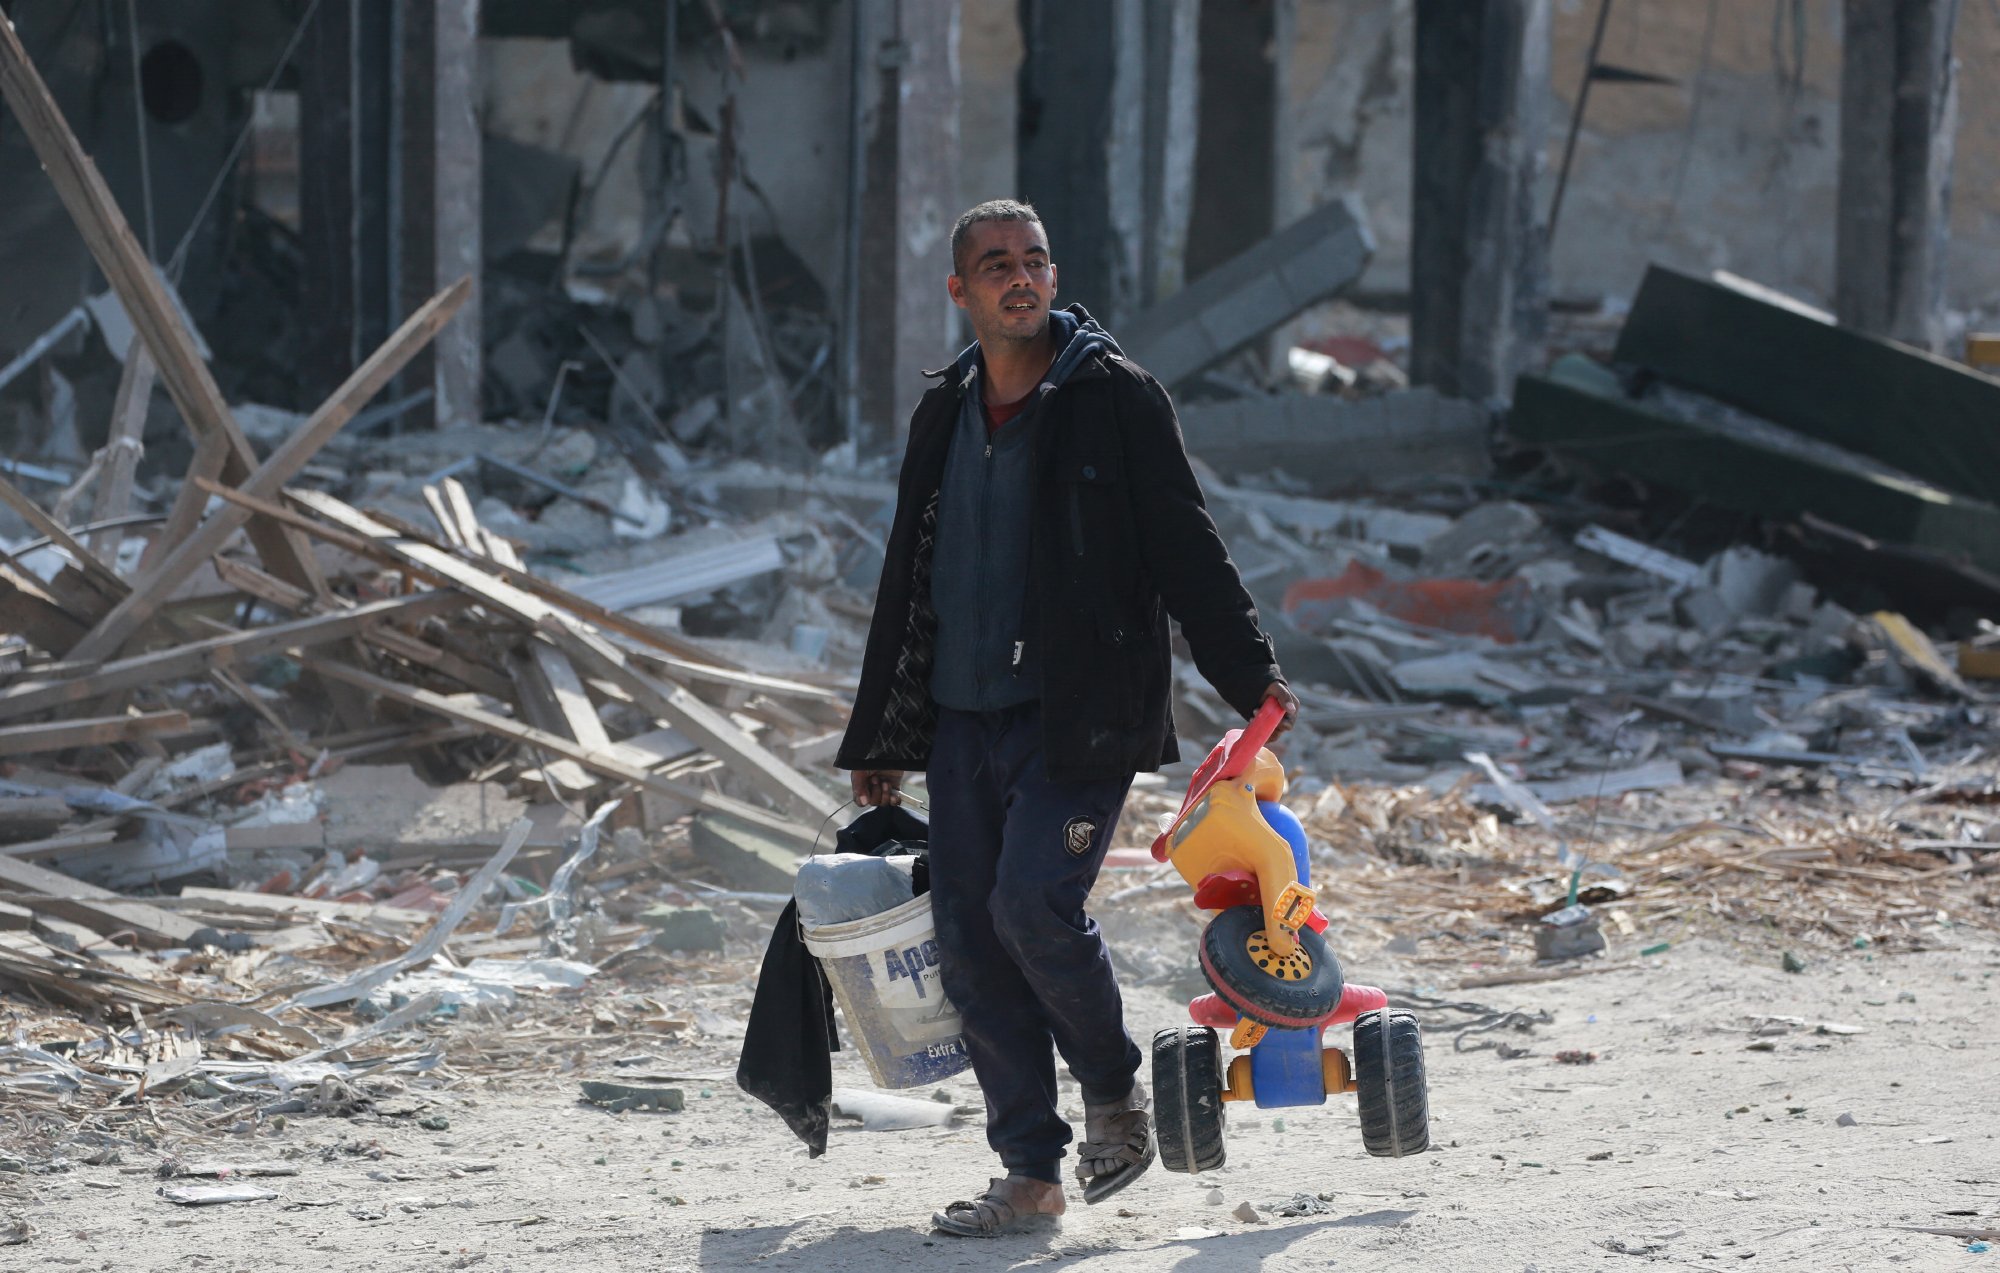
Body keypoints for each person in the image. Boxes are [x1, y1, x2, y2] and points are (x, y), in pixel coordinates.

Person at [835, 199, 1297, 1237]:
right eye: (996, 264)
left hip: (1078, 713)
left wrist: (1252, 677)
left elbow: (1186, 544)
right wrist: (881, 737)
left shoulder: (1114, 396)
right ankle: (1030, 1175)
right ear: (959, 290)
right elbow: (909, 575)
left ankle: (1112, 1091)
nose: (1020, 278)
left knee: (1030, 905)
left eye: (1035, 260)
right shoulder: (944, 410)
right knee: (968, 939)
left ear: (1053, 276)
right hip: (961, 717)